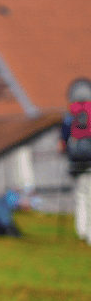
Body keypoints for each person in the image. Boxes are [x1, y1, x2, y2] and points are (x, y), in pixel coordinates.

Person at [59, 78, 91, 243]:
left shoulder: (70, 115)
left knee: (80, 195)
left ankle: (81, 232)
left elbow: (63, 140)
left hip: (76, 163)